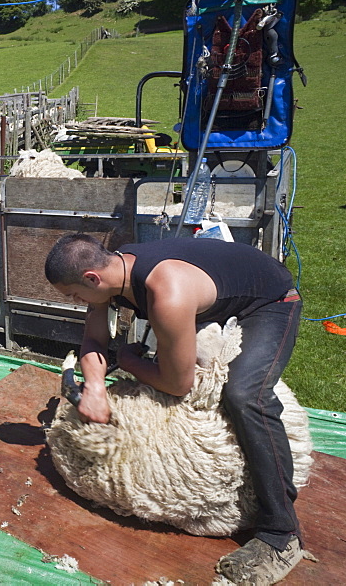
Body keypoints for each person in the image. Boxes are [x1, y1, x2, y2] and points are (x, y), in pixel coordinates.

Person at [44, 233, 305, 585]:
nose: (76, 302)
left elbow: (178, 384)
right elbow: (93, 340)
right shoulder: (113, 271)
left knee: (245, 394)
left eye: (74, 295)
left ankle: (281, 532)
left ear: (92, 278)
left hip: (269, 301)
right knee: (168, 366)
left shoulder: (167, 293)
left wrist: (129, 361)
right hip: (217, 294)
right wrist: (93, 388)